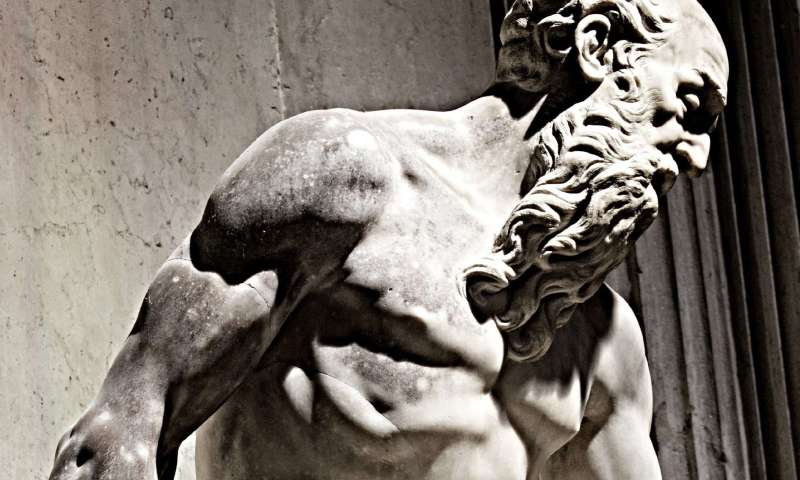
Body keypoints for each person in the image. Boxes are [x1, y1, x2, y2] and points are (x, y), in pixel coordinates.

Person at [50, 0, 728, 478]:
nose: (697, 156)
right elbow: (119, 437)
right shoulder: (344, 177)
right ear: (597, 47)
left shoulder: (606, 342)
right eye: (692, 107)